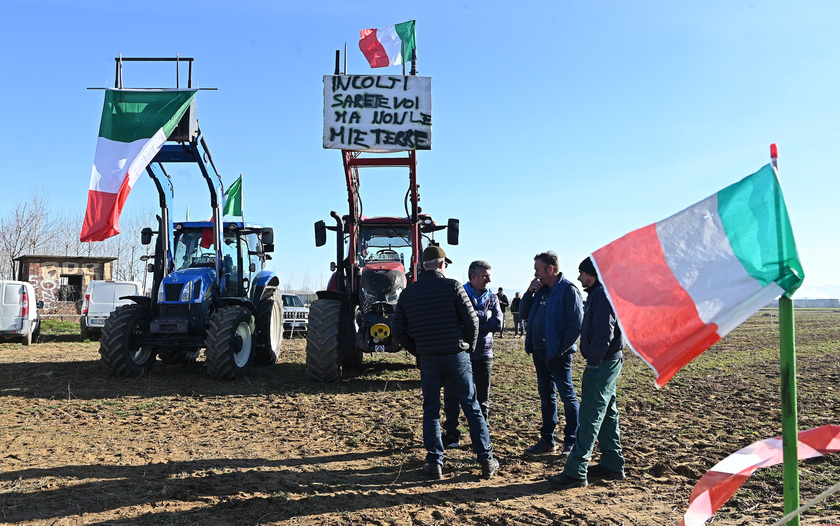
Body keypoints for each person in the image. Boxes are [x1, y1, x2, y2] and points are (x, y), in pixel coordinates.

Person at [392, 246, 499, 480]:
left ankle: (435, 462)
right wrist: (468, 347)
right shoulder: (453, 287)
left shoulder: (408, 293)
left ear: (422, 266)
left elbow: (398, 330)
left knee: (431, 410)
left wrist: (419, 350)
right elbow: (472, 320)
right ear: (442, 265)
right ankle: (486, 459)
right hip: (456, 355)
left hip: (429, 358)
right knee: (472, 407)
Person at [549, 257, 626, 489]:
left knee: (590, 415)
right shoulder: (598, 294)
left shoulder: (601, 295)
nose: (580, 277)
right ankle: (612, 463)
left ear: (591, 274)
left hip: (602, 364)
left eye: (582, 273)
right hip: (607, 362)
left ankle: (575, 472)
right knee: (607, 412)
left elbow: (604, 333)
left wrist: (594, 360)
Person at [520, 251, 583, 457]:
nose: (536, 274)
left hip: (558, 355)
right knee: (546, 396)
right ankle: (547, 440)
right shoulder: (540, 290)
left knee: (567, 396)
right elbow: (523, 314)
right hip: (539, 352)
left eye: (538, 270)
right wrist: (529, 292)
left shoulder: (568, 290)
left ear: (550, 269)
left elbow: (576, 326)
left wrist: (559, 349)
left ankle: (572, 441)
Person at [441, 260, 503, 448]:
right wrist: (485, 316)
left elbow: (498, 323)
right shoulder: (460, 294)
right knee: (452, 396)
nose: (489, 279)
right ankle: (452, 434)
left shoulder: (492, 297)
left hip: (484, 354)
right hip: (460, 353)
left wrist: (472, 321)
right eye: (485, 275)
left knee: (482, 398)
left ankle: (480, 436)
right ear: (474, 276)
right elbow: (457, 322)